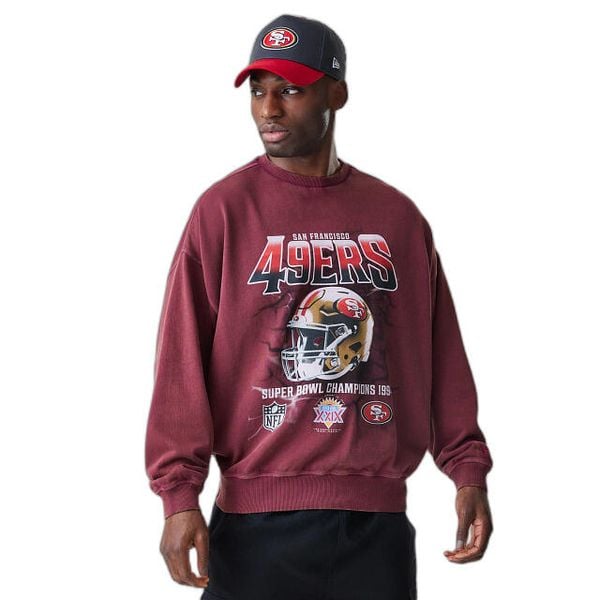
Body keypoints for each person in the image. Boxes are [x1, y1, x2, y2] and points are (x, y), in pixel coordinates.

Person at [144, 14, 494, 600]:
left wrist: (467, 470)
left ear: (337, 93)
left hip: (376, 532)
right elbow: (181, 362)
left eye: (290, 90)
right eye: (258, 91)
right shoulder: (222, 211)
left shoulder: (397, 218)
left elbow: (440, 354)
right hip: (254, 532)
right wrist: (179, 497)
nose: (268, 109)